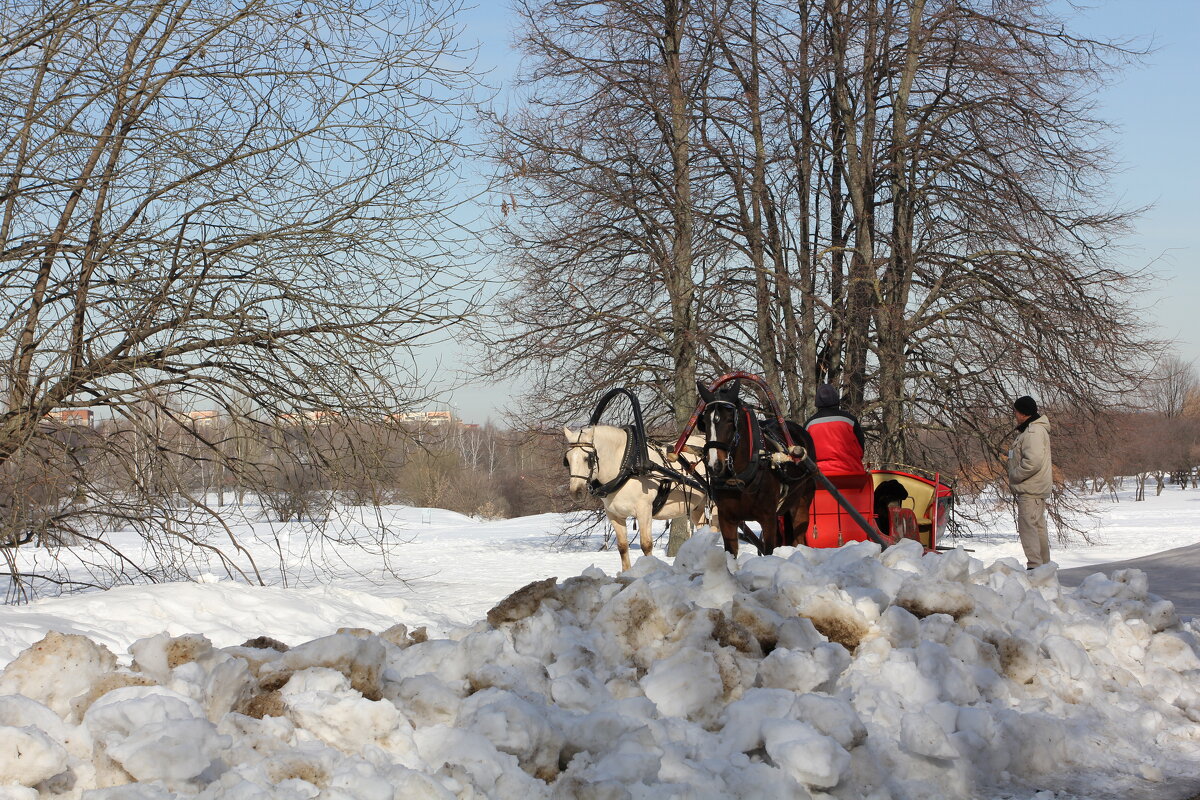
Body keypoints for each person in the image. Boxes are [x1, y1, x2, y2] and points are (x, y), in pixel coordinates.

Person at [1009, 395, 1053, 569]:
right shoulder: (1032, 430)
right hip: (1034, 489)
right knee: (1037, 527)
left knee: (1029, 528)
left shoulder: (1033, 431)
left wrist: (1015, 475)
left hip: (1031, 489)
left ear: (1021, 412)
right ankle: (1043, 568)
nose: (1014, 415)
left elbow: (1033, 461)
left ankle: (1035, 567)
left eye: (1015, 411)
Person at [805, 384, 866, 475]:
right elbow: (861, 449)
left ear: (817, 403)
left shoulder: (809, 425)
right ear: (837, 400)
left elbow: (806, 455)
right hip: (852, 473)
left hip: (819, 476)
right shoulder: (850, 421)